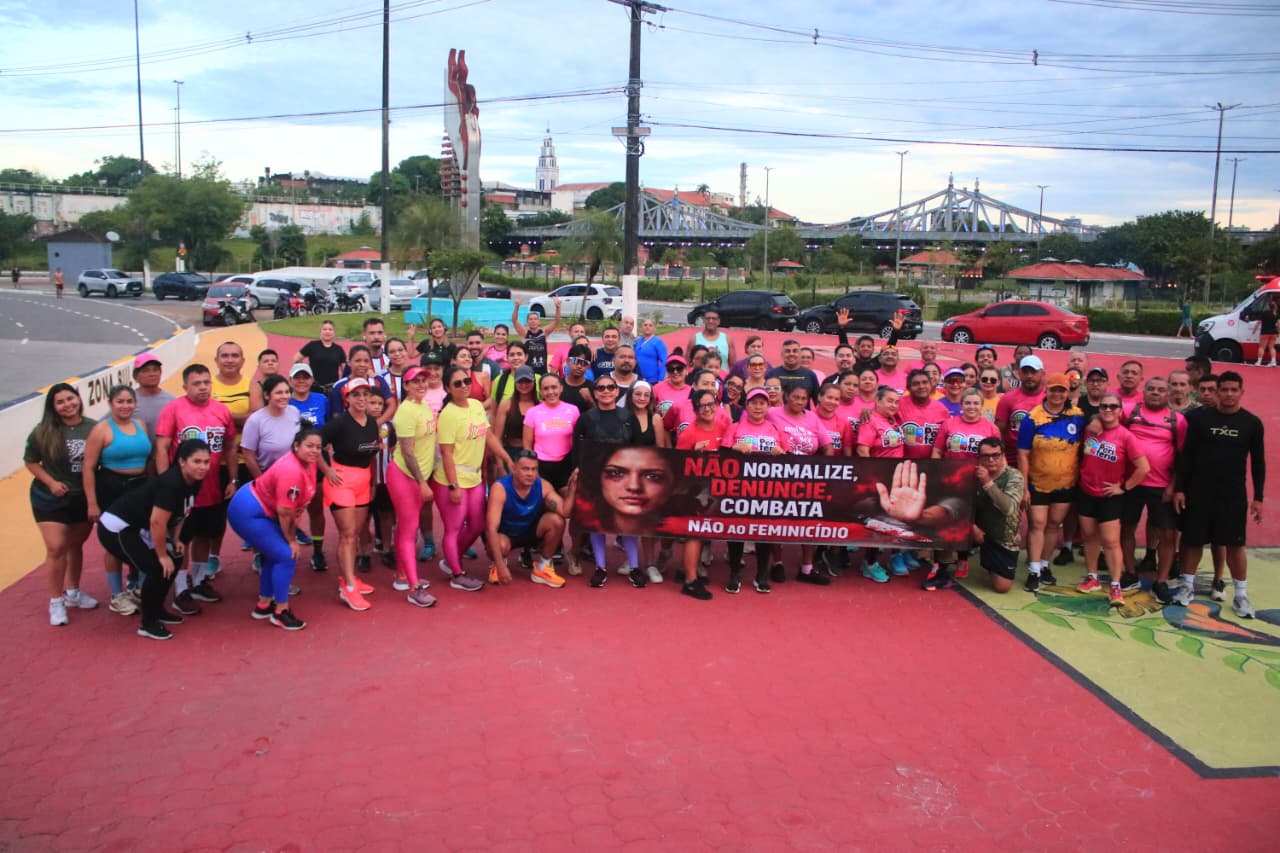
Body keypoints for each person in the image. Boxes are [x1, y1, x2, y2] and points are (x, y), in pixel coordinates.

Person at [97, 439, 211, 639]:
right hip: (116, 527)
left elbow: (183, 512)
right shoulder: (171, 483)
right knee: (157, 567)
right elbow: (157, 523)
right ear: (182, 462)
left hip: (138, 527)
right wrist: (161, 555)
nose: (202, 467)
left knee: (175, 557)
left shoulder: (194, 481)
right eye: (197, 461)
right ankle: (147, 623)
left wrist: (176, 540)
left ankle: (157, 610)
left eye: (206, 462)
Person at [1173, 371, 1265, 618]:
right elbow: (1187, 457)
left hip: (1232, 495)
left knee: (1234, 544)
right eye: (1224, 389)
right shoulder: (1201, 420)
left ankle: (1241, 595)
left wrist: (1259, 497)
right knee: (1193, 541)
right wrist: (1180, 488)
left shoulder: (1251, 423)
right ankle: (1187, 587)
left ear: (1241, 393)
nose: (1228, 394)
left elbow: (1258, 462)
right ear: (1217, 392)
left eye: (1234, 390)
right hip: (1199, 492)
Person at [154, 364, 236, 615]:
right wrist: (166, 483)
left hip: (212, 486)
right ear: (185, 387)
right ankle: (180, 590)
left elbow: (230, 446)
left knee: (205, 534)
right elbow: (161, 447)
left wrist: (232, 480)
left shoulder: (221, 410)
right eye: (197, 383)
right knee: (182, 539)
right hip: (183, 489)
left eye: (206, 382)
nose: (203, 387)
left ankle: (199, 581)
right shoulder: (173, 409)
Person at [227, 429, 321, 630]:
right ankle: (280, 611)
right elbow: (285, 512)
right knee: (286, 555)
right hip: (248, 512)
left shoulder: (310, 464)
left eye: (318, 447)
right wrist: (292, 540)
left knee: (275, 554)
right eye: (309, 446)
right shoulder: (292, 471)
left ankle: (264, 604)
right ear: (296, 447)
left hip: (262, 508)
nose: (314, 450)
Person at [434, 366, 512, 590]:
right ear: (448, 388)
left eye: (466, 381)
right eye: (457, 383)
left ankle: (451, 560)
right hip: (453, 479)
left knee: (478, 524)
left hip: (475, 478)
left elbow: (487, 435)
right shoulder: (448, 414)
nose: (464, 386)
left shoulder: (477, 406)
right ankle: (457, 574)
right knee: (454, 527)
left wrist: (505, 457)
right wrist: (453, 486)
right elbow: (447, 453)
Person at [26, 384, 98, 626]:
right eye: (60, 402)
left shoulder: (93, 428)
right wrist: (51, 482)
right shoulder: (43, 431)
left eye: (71, 398)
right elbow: (31, 461)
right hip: (50, 498)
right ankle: (56, 601)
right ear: (53, 407)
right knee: (57, 547)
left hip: (82, 497)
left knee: (76, 544)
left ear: (78, 398)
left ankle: (73, 593)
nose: (67, 405)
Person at [1074, 394, 1150, 608]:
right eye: (1104, 406)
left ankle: (1115, 585)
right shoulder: (1091, 430)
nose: (1107, 409)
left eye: (1113, 406)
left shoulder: (1126, 436)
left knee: (1111, 541)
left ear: (1119, 411)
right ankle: (1093, 577)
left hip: (1109, 496)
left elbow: (1143, 468)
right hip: (1086, 491)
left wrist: (1123, 487)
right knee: (1089, 536)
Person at [83, 385, 152, 614]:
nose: (125, 406)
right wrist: (92, 502)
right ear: (111, 403)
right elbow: (89, 467)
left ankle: (140, 588)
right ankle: (116, 594)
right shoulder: (101, 430)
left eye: (129, 401)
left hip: (140, 488)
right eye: (120, 402)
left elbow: (149, 459)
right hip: (112, 489)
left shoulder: (140, 425)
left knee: (143, 538)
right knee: (113, 543)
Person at [574, 375, 648, 590]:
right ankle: (600, 567)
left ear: (617, 391)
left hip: (624, 480)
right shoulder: (586, 419)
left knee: (628, 521)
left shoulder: (628, 417)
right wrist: (577, 471)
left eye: (610, 387)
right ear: (595, 392)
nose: (605, 391)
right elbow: (577, 449)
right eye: (600, 388)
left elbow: (638, 449)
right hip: (594, 479)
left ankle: (635, 567)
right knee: (596, 522)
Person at [1018, 373, 1085, 593]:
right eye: (1053, 389)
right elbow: (1023, 454)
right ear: (1046, 390)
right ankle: (1034, 569)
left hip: (1065, 484)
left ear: (1068, 393)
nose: (1057, 394)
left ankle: (1045, 565)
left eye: (1062, 390)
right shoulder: (1033, 418)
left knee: (1054, 524)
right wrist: (1024, 485)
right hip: (1038, 482)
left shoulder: (1077, 416)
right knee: (1037, 524)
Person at [319, 378, 381, 611]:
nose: (362, 399)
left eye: (366, 394)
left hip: (363, 480)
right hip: (341, 481)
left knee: (355, 533)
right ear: (347, 399)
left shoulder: (372, 422)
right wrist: (327, 469)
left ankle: (349, 577)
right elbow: (316, 443)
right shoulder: (339, 423)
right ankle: (349, 588)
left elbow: (372, 454)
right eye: (357, 395)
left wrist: (373, 482)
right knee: (346, 535)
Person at [1119, 377, 1185, 592]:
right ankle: (1130, 573)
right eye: (1151, 389)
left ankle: (1162, 580)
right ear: (1144, 391)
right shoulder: (1128, 412)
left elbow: (1183, 457)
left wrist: (1174, 486)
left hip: (1162, 486)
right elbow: (1111, 432)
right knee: (1126, 529)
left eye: (1161, 390)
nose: (1156, 393)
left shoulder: (1178, 420)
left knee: (1167, 534)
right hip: (1132, 483)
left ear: (1168, 394)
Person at [722, 387, 789, 593]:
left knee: (764, 531)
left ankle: (761, 574)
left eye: (762, 403)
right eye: (754, 402)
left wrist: (781, 453)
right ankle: (734, 572)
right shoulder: (735, 427)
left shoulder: (775, 429)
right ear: (747, 405)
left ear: (768, 406)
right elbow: (722, 454)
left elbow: (788, 458)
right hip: (739, 488)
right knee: (737, 530)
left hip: (767, 489)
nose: (758, 407)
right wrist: (734, 449)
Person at [768, 383, 835, 585]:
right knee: (777, 520)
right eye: (795, 397)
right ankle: (777, 563)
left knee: (808, 521)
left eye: (803, 398)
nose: (799, 402)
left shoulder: (812, 418)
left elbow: (827, 446)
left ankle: (807, 567)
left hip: (807, 477)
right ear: (786, 396)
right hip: (778, 475)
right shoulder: (772, 413)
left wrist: (826, 468)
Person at [385, 366, 438, 607]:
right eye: (415, 381)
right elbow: (406, 451)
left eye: (424, 380)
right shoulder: (406, 411)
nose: (421, 385)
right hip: (405, 477)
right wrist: (421, 482)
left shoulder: (422, 405)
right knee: (409, 529)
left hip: (416, 477)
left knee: (407, 528)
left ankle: (402, 575)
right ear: (405, 386)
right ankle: (414, 588)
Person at [485, 450, 576, 587]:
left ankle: (542, 568)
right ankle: (498, 564)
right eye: (525, 469)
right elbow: (491, 528)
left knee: (556, 521)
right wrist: (500, 566)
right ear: (514, 469)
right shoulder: (500, 488)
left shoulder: (543, 486)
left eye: (534, 469)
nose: (530, 473)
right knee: (499, 544)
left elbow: (565, 512)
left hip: (530, 532)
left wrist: (573, 488)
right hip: (506, 536)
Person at [855, 386, 905, 583]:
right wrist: (873, 479)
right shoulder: (871, 421)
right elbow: (862, 450)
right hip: (879, 481)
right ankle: (869, 564)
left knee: (888, 522)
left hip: (894, 480)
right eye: (889, 401)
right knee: (877, 523)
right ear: (877, 401)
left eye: (896, 401)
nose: (893, 404)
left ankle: (876, 560)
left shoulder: (893, 420)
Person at [286, 363, 330, 570]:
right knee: (288, 509)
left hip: (318, 462)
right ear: (290, 381)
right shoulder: (286, 402)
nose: (302, 381)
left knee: (316, 508)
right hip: (293, 465)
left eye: (306, 377)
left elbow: (329, 427)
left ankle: (318, 551)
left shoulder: (321, 400)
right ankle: (286, 549)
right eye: (297, 377)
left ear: (312, 380)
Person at [626, 380, 671, 583]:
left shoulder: (656, 419)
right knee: (630, 520)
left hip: (649, 477)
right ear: (631, 395)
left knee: (649, 522)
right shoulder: (624, 417)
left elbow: (660, 448)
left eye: (646, 395)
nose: (642, 398)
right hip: (628, 475)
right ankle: (632, 560)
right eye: (638, 394)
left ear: (651, 398)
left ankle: (651, 563)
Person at [970, 437, 1025, 594]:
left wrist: (987, 481)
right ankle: (946, 566)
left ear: (1003, 456)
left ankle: (990, 562)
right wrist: (971, 527)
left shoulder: (1014, 476)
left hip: (1004, 537)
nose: (991, 460)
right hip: (978, 530)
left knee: (1002, 587)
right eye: (986, 456)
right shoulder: (971, 474)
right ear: (979, 458)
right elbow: (960, 504)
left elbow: (1008, 508)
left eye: (996, 455)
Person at [524, 373, 580, 493]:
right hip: (541, 466)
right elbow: (527, 446)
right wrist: (532, 469)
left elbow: (578, 442)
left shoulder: (573, 410)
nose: (550, 392)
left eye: (554, 387)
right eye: (546, 388)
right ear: (541, 391)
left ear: (561, 388)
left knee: (568, 504)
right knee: (545, 504)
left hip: (566, 465)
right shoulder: (532, 412)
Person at [241, 376, 304, 481]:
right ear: (266, 395)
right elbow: (248, 456)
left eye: (287, 392)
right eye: (279, 393)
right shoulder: (255, 420)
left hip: (293, 475)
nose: (284, 396)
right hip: (268, 476)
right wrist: (262, 481)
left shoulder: (294, 412)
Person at [996, 354, 1046, 465]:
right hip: (1012, 459)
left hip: (1041, 459)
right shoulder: (1008, 398)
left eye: (1033, 372)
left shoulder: (1049, 398)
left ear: (1042, 373)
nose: (1029, 376)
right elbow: (999, 432)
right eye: (1025, 372)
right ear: (1019, 373)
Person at [330, 345, 395, 424]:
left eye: (366, 361)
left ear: (370, 363)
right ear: (349, 362)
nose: (362, 364)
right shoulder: (340, 385)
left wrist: (378, 423)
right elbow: (337, 414)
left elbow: (391, 404)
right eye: (357, 361)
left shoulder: (378, 381)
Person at [510, 296, 562, 373]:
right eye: (531, 319)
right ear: (527, 322)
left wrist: (558, 308)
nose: (533, 321)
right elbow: (514, 320)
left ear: (539, 321)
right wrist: (516, 306)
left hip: (542, 370)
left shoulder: (544, 332)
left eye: (535, 319)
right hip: (528, 370)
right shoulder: (525, 333)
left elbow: (556, 321)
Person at [295, 319, 347, 393]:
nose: (327, 332)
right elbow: (297, 358)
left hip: (332, 389)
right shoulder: (312, 345)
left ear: (334, 332)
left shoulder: (339, 349)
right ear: (320, 331)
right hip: (314, 387)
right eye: (324, 329)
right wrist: (305, 374)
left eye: (330, 329)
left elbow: (344, 370)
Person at [131, 353, 174, 437]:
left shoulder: (171, 401)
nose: (152, 374)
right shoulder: (128, 401)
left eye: (155, 370)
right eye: (146, 371)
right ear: (135, 377)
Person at [560, 344, 595, 413]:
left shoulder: (593, 387)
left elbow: (599, 414)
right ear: (567, 361)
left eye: (584, 363)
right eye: (576, 361)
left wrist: (590, 400)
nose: (579, 366)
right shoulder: (558, 385)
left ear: (588, 366)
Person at [634, 318, 668, 383]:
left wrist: (661, 378)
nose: (647, 327)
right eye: (645, 325)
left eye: (650, 325)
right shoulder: (638, 341)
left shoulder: (658, 342)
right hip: (637, 377)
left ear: (654, 328)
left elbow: (664, 360)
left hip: (652, 380)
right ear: (642, 327)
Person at [1256, 293, 1278, 366]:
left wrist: (1254, 330)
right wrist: (1278, 332)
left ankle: (1259, 362)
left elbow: (1258, 323)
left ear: (1268, 306)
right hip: (1274, 333)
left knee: (1262, 347)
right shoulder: (1275, 314)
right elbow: (1278, 324)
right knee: (1272, 347)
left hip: (1265, 332)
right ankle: (1273, 362)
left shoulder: (1264, 313)